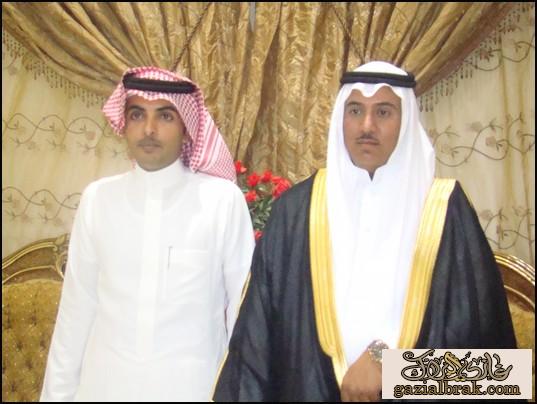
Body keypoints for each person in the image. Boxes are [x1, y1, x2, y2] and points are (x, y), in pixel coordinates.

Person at [212, 61, 516, 402]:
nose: (367, 126)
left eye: (383, 112)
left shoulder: (446, 213)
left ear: (406, 122)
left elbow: (494, 375)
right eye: (355, 110)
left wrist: (394, 369)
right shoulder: (295, 213)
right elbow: (254, 354)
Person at [40, 67, 255, 401]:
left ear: (187, 128)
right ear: (124, 124)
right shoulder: (99, 199)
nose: (149, 129)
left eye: (165, 116)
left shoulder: (222, 202)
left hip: (193, 391)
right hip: (103, 389)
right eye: (137, 114)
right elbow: (76, 312)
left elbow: (243, 318)